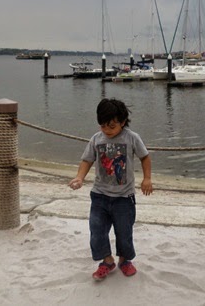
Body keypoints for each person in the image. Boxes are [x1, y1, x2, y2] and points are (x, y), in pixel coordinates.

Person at [69, 98, 153, 281]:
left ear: (122, 122)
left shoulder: (132, 138)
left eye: (112, 126)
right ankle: (107, 261)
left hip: (124, 198)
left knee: (124, 233)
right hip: (99, 195)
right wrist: (79, 177)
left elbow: (145, 157)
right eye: (103, 126)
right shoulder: (96, 139)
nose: (107, 130)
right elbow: (87, 160)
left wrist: (147, 179)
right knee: (97, 231)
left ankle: (124, 260)